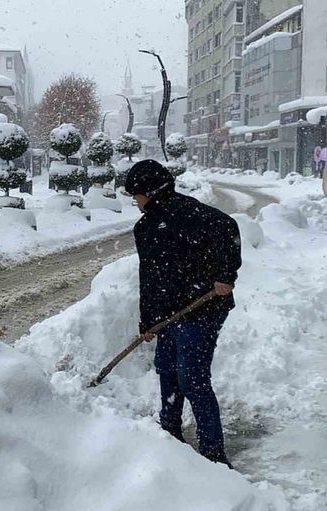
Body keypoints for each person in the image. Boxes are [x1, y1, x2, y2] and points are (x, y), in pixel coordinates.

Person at [124, 159, 242, 469]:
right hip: (169, 314)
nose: (135, 200)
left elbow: (229, 229)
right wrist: (148, 321)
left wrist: (225, 276)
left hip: (202, 308)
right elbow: (149, 277)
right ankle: (170, 436)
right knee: (166, 369)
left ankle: (214, 455)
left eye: (136, 194)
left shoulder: (190, 213)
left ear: (152, 191)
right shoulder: (144, 228)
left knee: (192, 377)